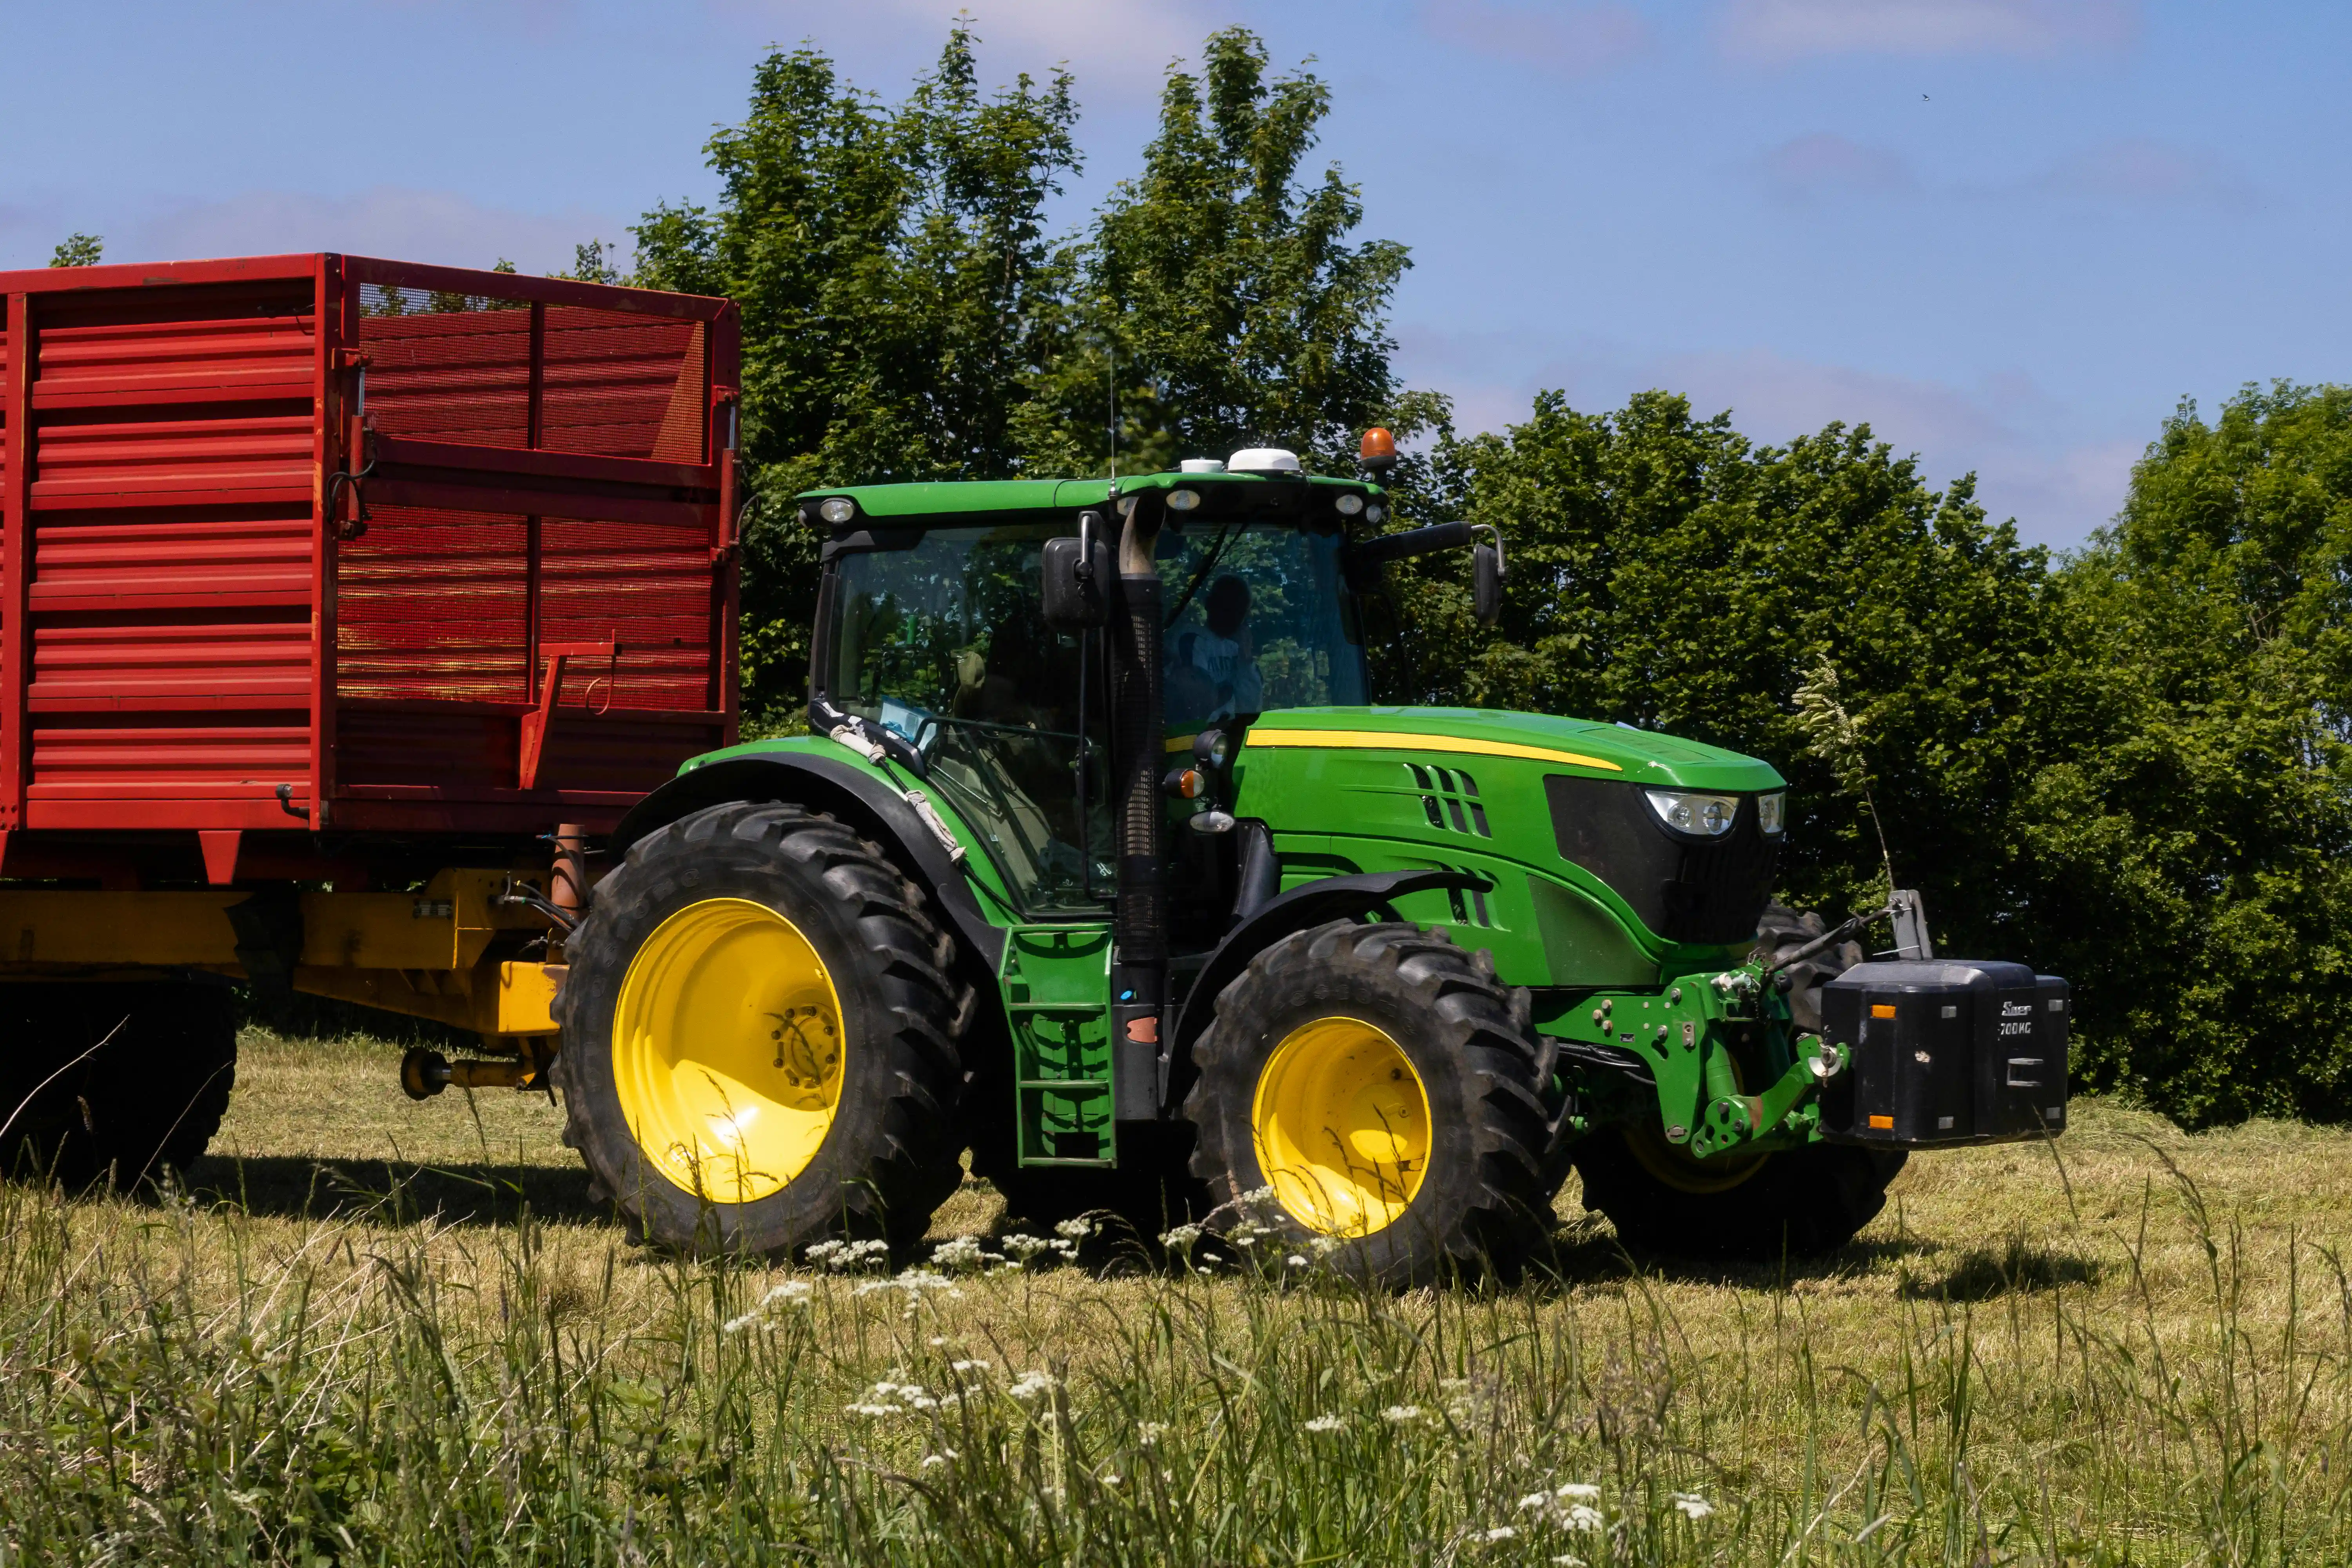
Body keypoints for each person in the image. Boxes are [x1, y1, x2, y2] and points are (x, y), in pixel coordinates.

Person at [1174, 574, 1261, 723]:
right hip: (1200, 732)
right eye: (1227, 608)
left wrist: (1246, 660)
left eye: (1240, 611)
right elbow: (1197, 702)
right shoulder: (1192, 640)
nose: (1233, 617)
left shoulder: (1238, 650)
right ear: (1209, 604)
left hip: (1231, 730)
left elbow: (1251, 709)